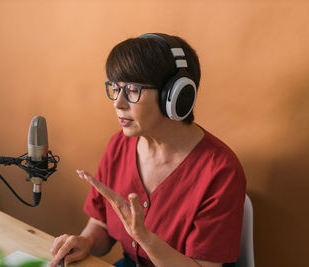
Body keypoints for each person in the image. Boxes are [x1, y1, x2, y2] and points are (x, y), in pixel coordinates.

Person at [49, 33, 246, 267]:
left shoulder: (220, 171)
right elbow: (101, 223)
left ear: (175, 96)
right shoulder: (119, 146)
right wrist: (87, 241)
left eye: (132, 90)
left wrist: (145, 238)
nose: (118, 103)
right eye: (115, 88)